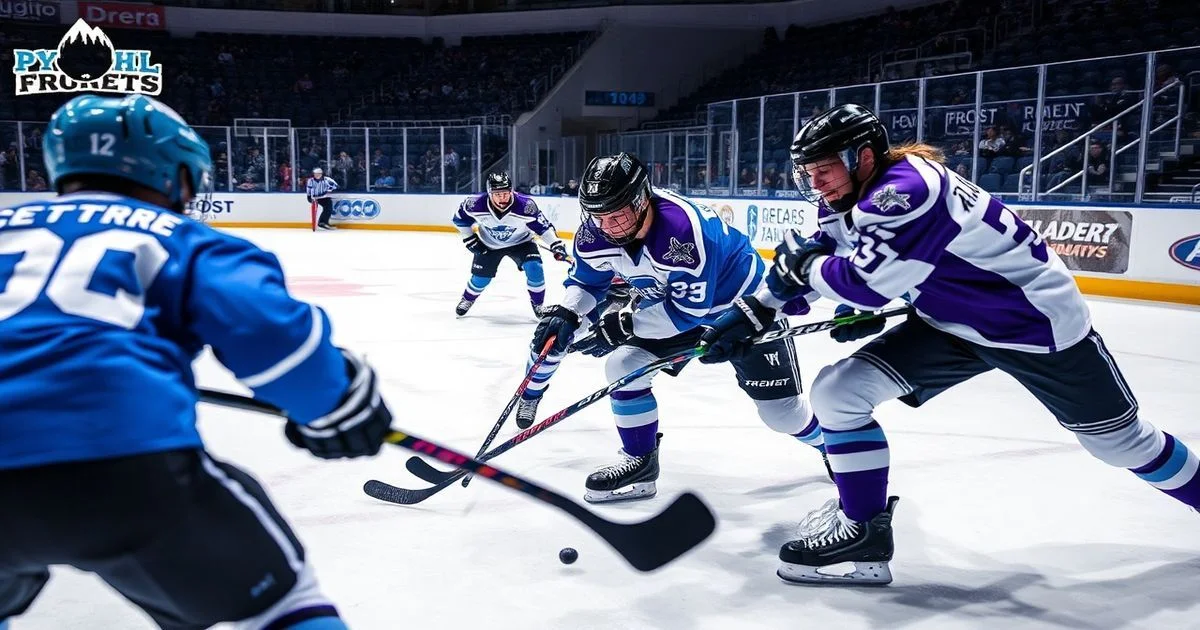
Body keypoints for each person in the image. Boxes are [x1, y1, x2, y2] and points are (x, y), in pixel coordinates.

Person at [699, 103, 1200, 585]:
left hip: (1034, 328)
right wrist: (753, 311)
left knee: (1122, 444)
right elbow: (829, 254)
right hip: (951, 322)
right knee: (838, 393)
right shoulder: (855, 194)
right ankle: (863, 530)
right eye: (808, 171)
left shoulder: (905, 191)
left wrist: (815, 279)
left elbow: (865, 283)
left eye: (825, 168)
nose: (816, 182)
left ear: (864, 157)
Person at [0, 94, 394, 628]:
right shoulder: (181, 237)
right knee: (282, 604)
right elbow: (268, 332)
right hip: (120, 464)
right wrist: (334, 403)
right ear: (175, 175)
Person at [529, 152, 828, 504]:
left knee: (783, 414)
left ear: (641, 200)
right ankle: (640, 463)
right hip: (677, 307)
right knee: (623, 365)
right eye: (598, 216)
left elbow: (687, 312)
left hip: (745, 311)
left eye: (616, 215)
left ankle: (831, 445)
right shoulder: (595, 234)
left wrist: (623, 324)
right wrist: (568, 311)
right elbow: (587, 281)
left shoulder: (683, 232)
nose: (607, 227)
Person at [452, 172, 568, 318]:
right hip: (489, 245)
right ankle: (467, 299)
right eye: (497, 194)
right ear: (489, 193)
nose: (502, 198)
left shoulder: (525, 206)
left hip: (522, 243)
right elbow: (460, 220)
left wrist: (556, 243)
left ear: (511, 190)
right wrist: (469, 239)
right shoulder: (474, 204)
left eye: (505, 193)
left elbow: (543, 228)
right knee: (481, 279)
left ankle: (538, 306)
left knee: (535, 268)